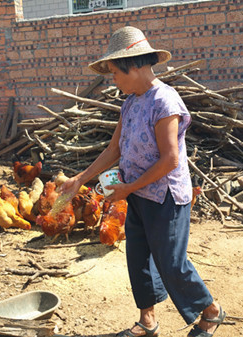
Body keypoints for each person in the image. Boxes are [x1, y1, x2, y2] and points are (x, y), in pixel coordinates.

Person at [59, 26, 226, 337]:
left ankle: (211, 311)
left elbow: (170, 160)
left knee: (171, 262)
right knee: (139, 258)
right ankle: (147, 321)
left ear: (134, 65)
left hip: (165, 196)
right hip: (137, 194)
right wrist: (79, 179)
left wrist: (127, 188)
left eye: (114, 72)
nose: (113, 79)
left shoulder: (164, 100)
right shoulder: (131, 102)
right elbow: (115, 148)